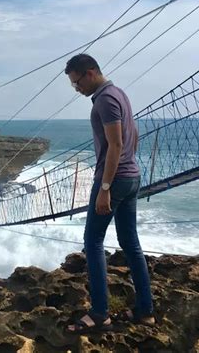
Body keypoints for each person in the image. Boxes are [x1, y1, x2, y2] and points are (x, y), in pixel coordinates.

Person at [64, 54, 155, 334]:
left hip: (113, 182)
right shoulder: (120, 94)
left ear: (90, 73)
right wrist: (128, 166)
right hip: (132, 178)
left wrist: (105, 187)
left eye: (76, 82)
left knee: (92, 242)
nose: (76, 89)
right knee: (131, 243)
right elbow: (134, 135)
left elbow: (115, 144)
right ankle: (145, 311)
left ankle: (100, 313)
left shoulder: (104, 99)